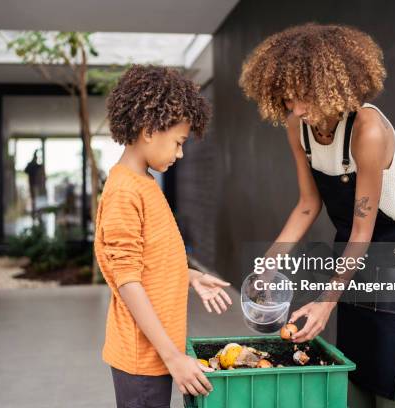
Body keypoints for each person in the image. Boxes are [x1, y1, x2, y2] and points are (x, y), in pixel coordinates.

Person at [239, 23, 395, 407]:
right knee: (358, 360)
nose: (294, 109)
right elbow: (308, 204)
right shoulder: (298, 127)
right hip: (353, 249)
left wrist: (325, 301)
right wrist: (268, 264)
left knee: (394, 368)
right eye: (288, 99)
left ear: (333, 86)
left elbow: (365, 228)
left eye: (303, 97)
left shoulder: (368, 130)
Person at [95, 65, 233, 408]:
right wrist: (172, 357)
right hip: (143, 359)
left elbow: (149, 263)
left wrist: (190, 276)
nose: (180, 153)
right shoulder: (124, 191)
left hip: (154, 354)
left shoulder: (144, 184)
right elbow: (128, 281)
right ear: (148, 129)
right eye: (178, 142)